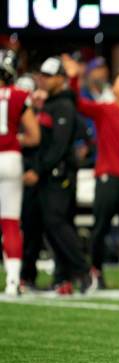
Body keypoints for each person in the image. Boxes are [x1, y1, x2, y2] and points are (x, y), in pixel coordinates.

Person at [63, 54, 119, 288]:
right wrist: (74, 79)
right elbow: (79, 105)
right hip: (108, 176)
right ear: (113, 88)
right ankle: (96, 272)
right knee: (100, 228)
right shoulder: (105, 110)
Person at [24, 56, 90, 294]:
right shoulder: (49, 104)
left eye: (49, 76)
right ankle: (58, 276)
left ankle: (82, 271)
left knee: (57, 223)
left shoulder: (63, 106)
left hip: (57, 175)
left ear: (61, 79)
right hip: (45, 175)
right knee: (38, 225)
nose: (43, 79)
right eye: (42, 75)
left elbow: (60, 146)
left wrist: (38, 169)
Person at [0, 49, 40, 295]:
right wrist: (13, 139)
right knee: (11, 223)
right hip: (12, 159)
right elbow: (34, 136)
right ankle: (13, 282)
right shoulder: (19, 95)